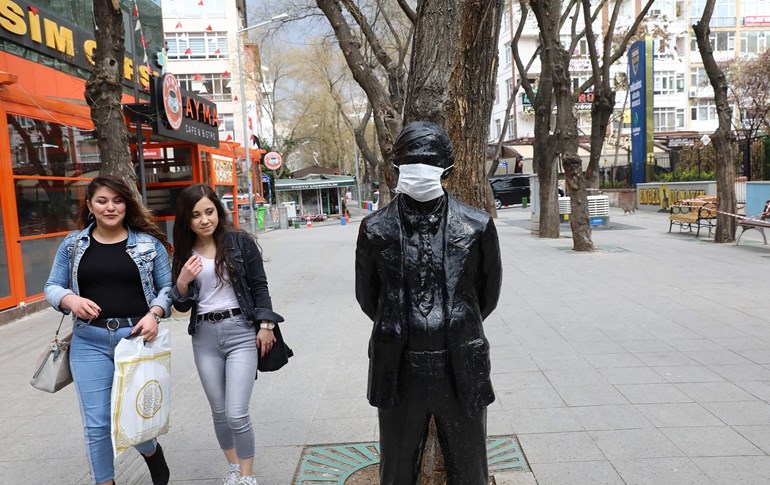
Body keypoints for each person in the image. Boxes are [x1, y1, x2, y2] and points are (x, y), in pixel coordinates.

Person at [355, 121, 502, 484]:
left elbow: (488, 295)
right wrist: (401, 323)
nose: (419, 171)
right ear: (397, 170)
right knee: (397, 467)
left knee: (470, 468)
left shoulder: (478, 227)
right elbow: (368, 297)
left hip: (459, 363)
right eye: (411, 162)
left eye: (429, 163)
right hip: (399, 365)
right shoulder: (375, 229)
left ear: (447, 170)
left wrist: (452, 324)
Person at [44, 176, 172, 485]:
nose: (110, 207)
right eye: (102, 201)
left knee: (133, 417)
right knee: (98, 424)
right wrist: (69, 298)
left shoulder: (147, 243)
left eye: (117, 200)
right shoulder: (73, 243)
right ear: (90, 205)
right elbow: (52, 286)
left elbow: (167, 289)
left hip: (136, 341)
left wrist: (155, 313)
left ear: (126, 205)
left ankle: (151, 452)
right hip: (89, 341)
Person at [170, 184, 283, 485]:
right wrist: (182, 282)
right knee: (219, 411)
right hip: (204, 335)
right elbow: (181, 305)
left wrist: (266, 325)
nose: (204, 220)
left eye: (209, 212)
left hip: (241, 332)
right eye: (196, 215)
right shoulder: (184, 252)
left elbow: (260, 286)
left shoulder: (239, 242)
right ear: (187, 220)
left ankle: (247, 477)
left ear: (218, 212)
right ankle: (233, 467)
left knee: (236, 412)